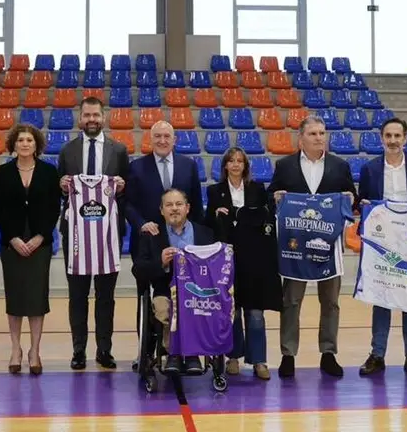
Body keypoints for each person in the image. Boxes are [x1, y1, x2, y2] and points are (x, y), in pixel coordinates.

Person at [268, 116, 356, 379]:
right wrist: (275, 198)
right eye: (314, 134)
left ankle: (328, 353)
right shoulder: (285, 166)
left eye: (322, 133)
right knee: (291, 301)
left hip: (328, 246)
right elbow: (271, 194)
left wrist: (351, 199)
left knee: (330, 302)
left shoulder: (340, 166)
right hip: (295, 248)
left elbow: (352, 198)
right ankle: (288, 355)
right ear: (301, 138)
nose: (320, 137)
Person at [356, 117, 407, 380]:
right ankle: (377, 354)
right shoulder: (369, 169)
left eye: (397, 136)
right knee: (382, 297)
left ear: (406, 138)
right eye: (388, 136)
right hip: (383, 243)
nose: (392, 141)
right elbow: (362, 204)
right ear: (382, 139)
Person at [57, 96, 128, 370]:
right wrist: (61, 185)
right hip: (75, 235)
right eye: (87, 115)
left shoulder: (119, 151)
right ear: (80, 118)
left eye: (96, 115)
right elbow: (61, 193)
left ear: (103, 117)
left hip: (108, 235)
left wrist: (121, 187)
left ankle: (104, 350)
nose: (91, 120)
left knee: (105, 295)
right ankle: (78, 351)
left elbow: (127, 193)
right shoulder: (67, 151)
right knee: (77, 295)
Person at [205, 147, 280, 381]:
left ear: (245, 165)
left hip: (254, 259)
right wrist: (214, 213)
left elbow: (269, 219)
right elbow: (207, 222)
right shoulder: (214, 191)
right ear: (225, 165)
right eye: (232, 161)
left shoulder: (257, 189)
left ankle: (259, 360)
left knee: (255, 313)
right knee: (232, 311)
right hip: (227, 258)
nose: (236, 164)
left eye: (240, 161)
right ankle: (233, 357)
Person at [0, 124, 61, 375]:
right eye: (20, 140)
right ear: (14, 144)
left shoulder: (48, 172)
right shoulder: (3, 172)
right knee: (15, 298)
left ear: (36, 144)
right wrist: (12, 238)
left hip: (39, 244)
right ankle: (15, 349)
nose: (24, 144)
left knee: (36, 298)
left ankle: (34, 350)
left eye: (29, 140)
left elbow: (54, 208)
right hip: (12, 245)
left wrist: (40, 236)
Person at [133, 188, 216, 375]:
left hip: (197, 292)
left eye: (179, 204)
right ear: (161, 210)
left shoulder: (206, 234)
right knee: (164, 309)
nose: (174, 209)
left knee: (196, 308)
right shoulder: (151, 235)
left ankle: (192, 354)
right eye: (169, 205)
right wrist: (160, 262)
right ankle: (174, 353)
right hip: (165, 290)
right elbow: (138, 269)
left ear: (188, 208)